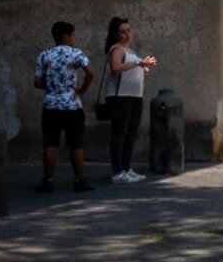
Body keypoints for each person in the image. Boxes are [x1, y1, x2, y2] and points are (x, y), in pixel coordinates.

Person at [34, 19, 93, 194]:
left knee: (50, 143)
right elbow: (91, 72)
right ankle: (78, 180)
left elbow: (37, 82)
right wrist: (81, 89)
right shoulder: (76, 54)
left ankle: (48, 181)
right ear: (66, 36)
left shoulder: (44, 55)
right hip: (72, 105)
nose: (74, 38)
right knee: (75, 143)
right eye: (73, 34)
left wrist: (52, 86)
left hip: (51, 104)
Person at [103, 17, 155, 183]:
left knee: (131, 135)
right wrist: (139, 63)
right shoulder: (117, 49)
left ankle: (126, 168)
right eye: (122, 31)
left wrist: (143, 67)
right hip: (120, 98)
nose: (127, 34)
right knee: (119, 134)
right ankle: (118, 171)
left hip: (134, 96)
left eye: (129, 30)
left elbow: (132, 68)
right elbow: (116, 67)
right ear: (116, 34)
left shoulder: (131, 51)